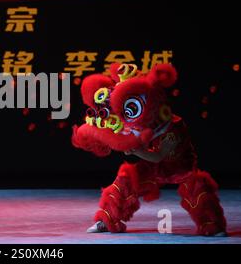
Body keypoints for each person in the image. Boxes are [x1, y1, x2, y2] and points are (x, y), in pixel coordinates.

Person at [72, 63, 227, 236]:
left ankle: (212, 225)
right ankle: (107, 220)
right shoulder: (136, 125)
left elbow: (159, 156)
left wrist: (134, 150)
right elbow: (127, 142)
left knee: (197, 187)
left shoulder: (172, 126)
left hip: (179, 166)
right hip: (152, 168)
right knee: (125, 178)